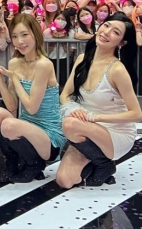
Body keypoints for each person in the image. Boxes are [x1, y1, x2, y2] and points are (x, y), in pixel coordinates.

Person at [56, 12, 142, 189]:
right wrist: (73, 109)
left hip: (115, 133)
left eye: (116, 32)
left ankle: (104, 164)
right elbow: (65, 95)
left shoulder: (117, 70)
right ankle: (92, 157)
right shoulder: (82, 59)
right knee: (64, 180)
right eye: (106, 25)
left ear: (122, 43)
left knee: (70, 124)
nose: (107, 32)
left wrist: (95, 117)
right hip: (85, 127)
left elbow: (137, 114)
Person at [0, 14, 65, 183]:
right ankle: (12, 161)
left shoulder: (44, 64)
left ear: (35, 34)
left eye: (24, 35)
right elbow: (12, 106)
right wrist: (0, 77)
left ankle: (34, 164)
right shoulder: (15, 63)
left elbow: (31, 108)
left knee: (9, 125)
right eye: (15, 36)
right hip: (24, 129)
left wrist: (15, 79)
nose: (20, 41)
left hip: (49, 137)